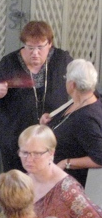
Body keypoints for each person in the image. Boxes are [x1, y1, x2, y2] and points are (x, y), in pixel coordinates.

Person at [0, 20, 73, 172]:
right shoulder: (9, 62)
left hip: (51, 138)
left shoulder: (62, 60)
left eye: (40, 47)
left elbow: (81, 88)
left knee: (47, 184)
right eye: (30, 47)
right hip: (15, 138)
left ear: (49, 44)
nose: (35, 53)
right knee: (18, 186)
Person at [18, 125, 102, 218]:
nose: (29, 159)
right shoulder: (23, 181)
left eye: (36, 153)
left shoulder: (68, 190)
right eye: (24, 152)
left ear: (51, 153)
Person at [40, 59, 102, 187]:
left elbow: (99, 157)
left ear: (72, 85)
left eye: (66, 77)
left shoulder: (87, 117)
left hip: (70, 185)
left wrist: (66, 162)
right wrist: (47, 124)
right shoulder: (80, 100)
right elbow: (66, 125)